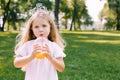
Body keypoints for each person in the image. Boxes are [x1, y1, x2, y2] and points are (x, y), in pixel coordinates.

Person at [14, 5, 66, 80]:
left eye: (44, 26)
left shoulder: (54, 46)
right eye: (36, 27)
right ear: (31, 29)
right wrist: (31, 57)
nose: (40, 29)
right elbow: (16, 63)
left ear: (50, 27)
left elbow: (61, 68)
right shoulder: (28, 45)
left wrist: (50, 58)